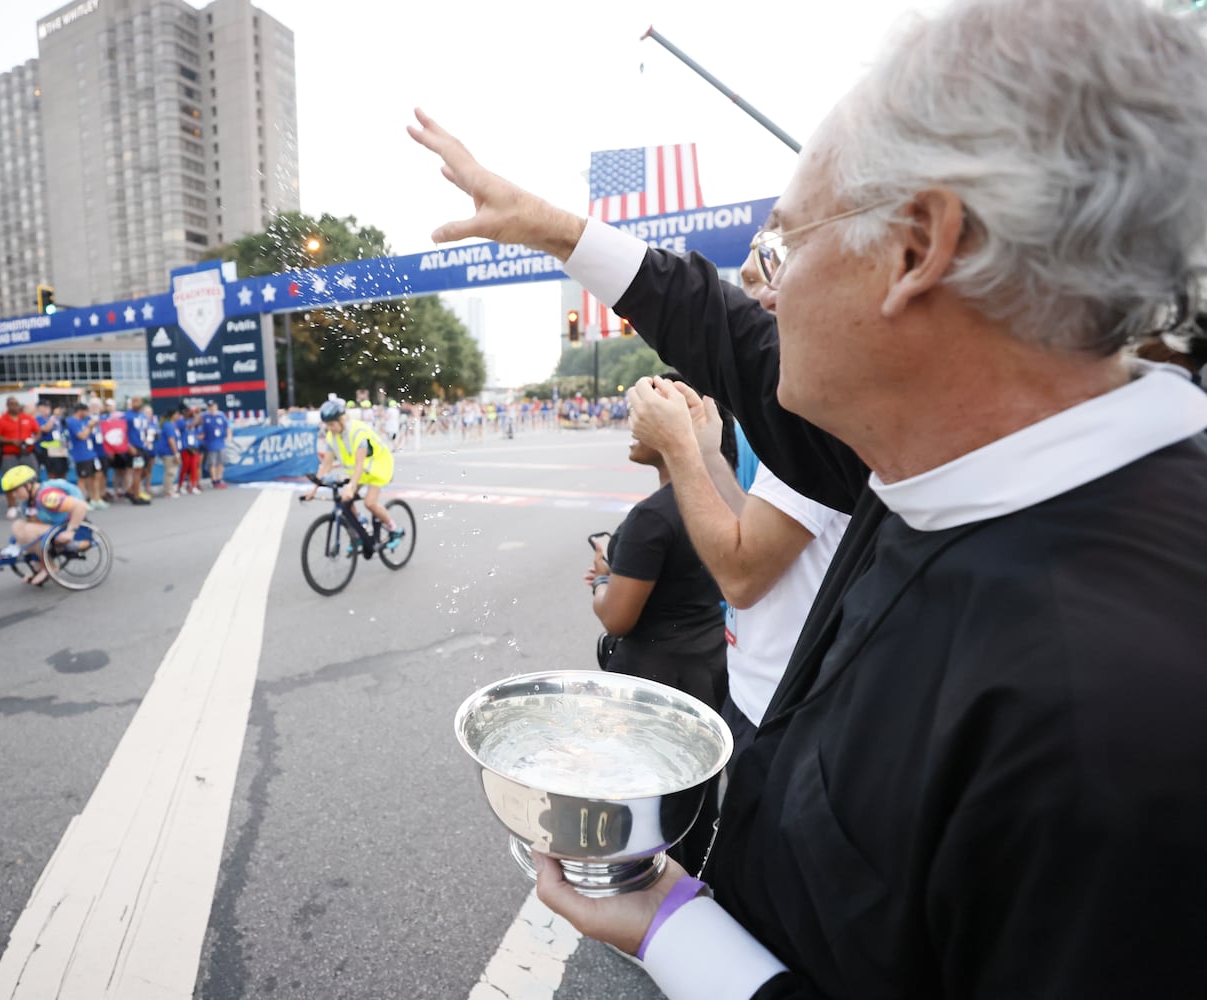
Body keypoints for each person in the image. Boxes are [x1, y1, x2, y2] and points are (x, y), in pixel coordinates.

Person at [409, 0, 1207, 992]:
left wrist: (675, 934)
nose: (763, 292)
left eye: (781, 249)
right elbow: (731, 340)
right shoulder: (939, 456)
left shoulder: (1121, 725)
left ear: (917, 248)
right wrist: (553, 230)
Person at [630, 252, 849, 749]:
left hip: (786, 704)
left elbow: (741, 576)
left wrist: (679, 448)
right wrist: (707, 451)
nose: (747, 302)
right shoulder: (790, 412)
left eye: (757, 281)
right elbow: (753, 523)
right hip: (755, 685)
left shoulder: (814, 416)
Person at [585, 379, 727, 875]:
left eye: (644, 417)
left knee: (650, 806)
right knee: (696, 803)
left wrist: (603, 578)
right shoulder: (717, 499)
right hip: (709, 668)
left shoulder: (652, 517)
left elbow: (618, 615)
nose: (633, 424)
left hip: (654, 682)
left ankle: (655, 913)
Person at [303, 398, 403, 551]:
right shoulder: (331, 436)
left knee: (369, 503)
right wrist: (313, 490)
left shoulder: (357, 432)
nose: (329, 429)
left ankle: (394, 529)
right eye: (327, 425)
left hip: (378, 467)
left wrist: (351, 486)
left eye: (332, 424)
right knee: (345, 502)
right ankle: (360, 529)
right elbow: (326, 466)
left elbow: (359, 464)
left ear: (341, 420)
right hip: (361, 471)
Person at [0, 465, 90, 587]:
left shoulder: (47, 497)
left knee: (29, 531)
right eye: (12, 492)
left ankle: (49, 567)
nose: (14, 495)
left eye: (16, 490)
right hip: (52, 527)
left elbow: (80, 506)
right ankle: (39, 566)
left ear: (28, 485)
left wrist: (71, 531)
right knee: (18, 526)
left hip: (71, 529)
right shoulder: (30, 500)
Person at [0, 396, 40, 520]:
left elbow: (38, 431)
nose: (14, 406)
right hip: (9, 454)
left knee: (33, 477)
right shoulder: (0, 420)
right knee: (10, 480)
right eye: (11, 404)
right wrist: (11, 441)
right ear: (7, 406)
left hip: (27, 452)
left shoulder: (28, 418)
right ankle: (12, 506)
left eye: (16, 404)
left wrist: (33, 440)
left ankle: (33, 503)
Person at [64, 402, 106, 510]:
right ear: (80, 411)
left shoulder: (85, 420)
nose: (87, 414)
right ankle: (81, 500)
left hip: (91, 452)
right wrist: (89, 426)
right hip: (81, 454)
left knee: (97, 474)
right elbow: (82, 435)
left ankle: (95, 498)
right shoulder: (72, 422)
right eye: (86, 411)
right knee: (83, 478)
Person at [34, 403, 71, 482]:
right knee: (52, 472)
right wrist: (54, 416)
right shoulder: (39, 419)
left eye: (48, 407)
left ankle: (64, 488)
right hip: (49, 449)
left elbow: (64, 431)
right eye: (44, 407)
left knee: (63, 471)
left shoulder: (58, 418)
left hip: (61, 447)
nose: (47, 409)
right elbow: (46, 429)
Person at [201, 399, 232, 488]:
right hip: (211, 443)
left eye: (213, 407)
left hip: (221, 442)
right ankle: (214, 480)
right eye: (210, 407)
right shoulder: (204, 417)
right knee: (212, 462)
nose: (212, 409)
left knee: (221, 462)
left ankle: (219, 478)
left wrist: (229, 436)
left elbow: (227, 427)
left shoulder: (221, 415)